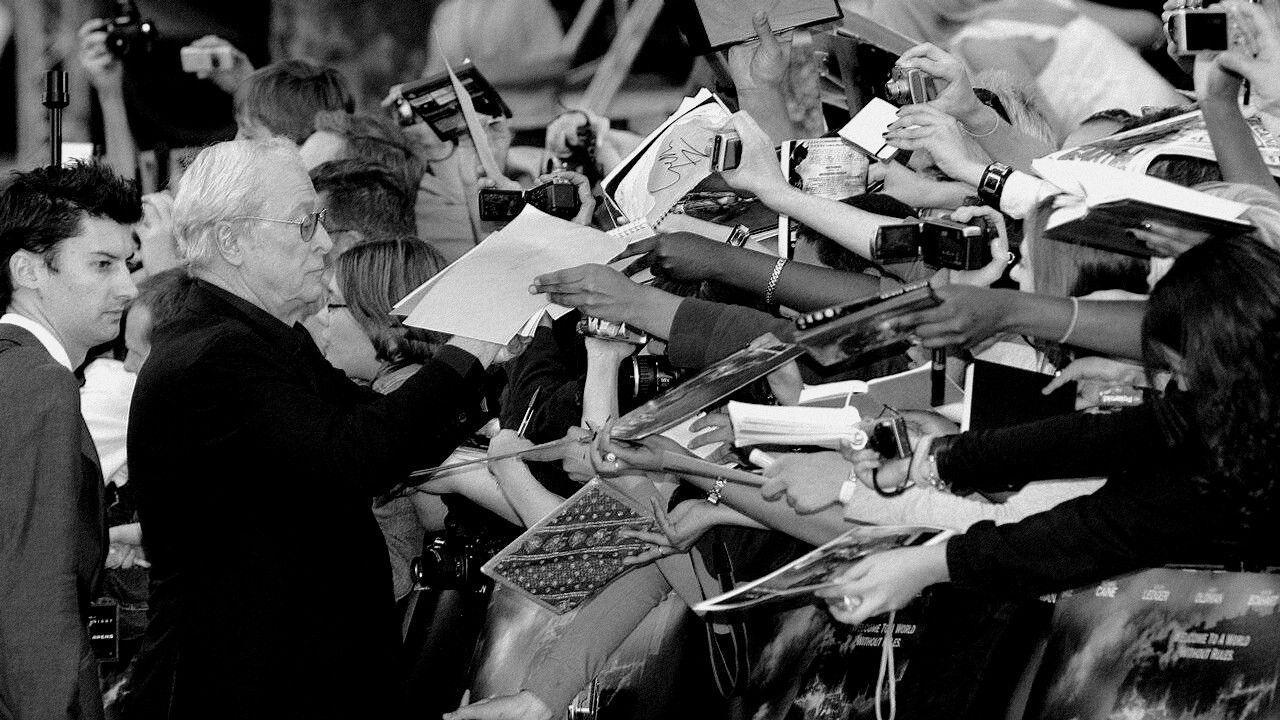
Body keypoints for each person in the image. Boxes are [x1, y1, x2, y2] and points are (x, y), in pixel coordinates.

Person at [123, 138, 506, 719]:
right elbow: (356, 454)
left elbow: (388, 435)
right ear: (231, 241)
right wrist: (471, 347)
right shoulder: (217, 354)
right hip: (244, 687)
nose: (324, 243)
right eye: (304, 224)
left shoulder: (264, 337)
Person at [811, 234, 1280, 626]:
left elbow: (1094, 532)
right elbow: (1090, 440)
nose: (1171, 386)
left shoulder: (1235, 454)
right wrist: (934, 459)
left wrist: (929, 564)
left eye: (1179, 371)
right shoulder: (1237, 392)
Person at [0, 162, 141, 720]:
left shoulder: (19, 369)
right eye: (102, 265)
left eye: (128, 264)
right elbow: (33, 596)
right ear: (28, 270)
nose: (128, 288)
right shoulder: (39, 382)